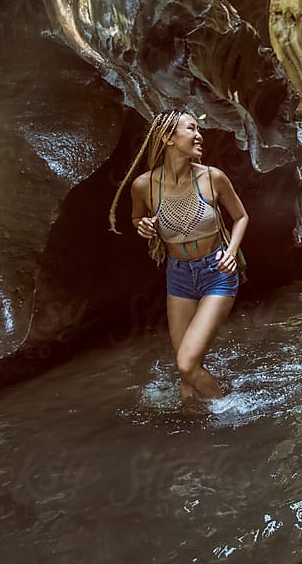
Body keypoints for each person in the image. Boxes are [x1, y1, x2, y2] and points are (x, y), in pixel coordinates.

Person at [109, 109, 247, 399]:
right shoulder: (144, 185)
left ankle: (228, 414)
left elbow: (241, 217)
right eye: (191, 129)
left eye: (199, 130)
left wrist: (232, 252)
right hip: (179, 276)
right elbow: (136, 219)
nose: (199, 135)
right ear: (168, 138)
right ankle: (192, 425)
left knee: (185, 365)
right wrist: (143, 225)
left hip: (217, 273)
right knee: (186, 376)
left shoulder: (213, 178)